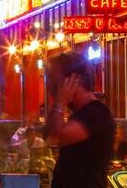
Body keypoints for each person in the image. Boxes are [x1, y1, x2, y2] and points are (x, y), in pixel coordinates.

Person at [44, 51, 115, 188]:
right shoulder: (78, 114)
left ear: (74, 80)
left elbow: (57, 137)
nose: (51, 87)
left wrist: (59, 103)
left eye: (55, 81)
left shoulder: (96, 113)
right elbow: (48, 135)